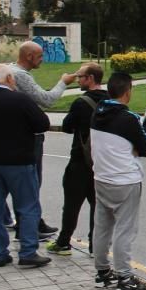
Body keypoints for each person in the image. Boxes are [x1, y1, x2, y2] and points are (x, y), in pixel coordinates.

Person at [91, 72, 146, 290]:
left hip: (101, 178)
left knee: (102, 226)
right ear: (128, 91)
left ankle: (102, 272)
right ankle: (125, 277)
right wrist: (133, 148)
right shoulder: (128, 119)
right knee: (124, 230)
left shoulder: (97, 114)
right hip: (125, 180)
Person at [0, 63, 52, 268]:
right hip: (20, 161)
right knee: (27, 207)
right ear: (8, 79)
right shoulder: (20, 99)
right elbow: (43, 124)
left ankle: (0, 253)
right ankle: (28, 252)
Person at [10, 40, 78, 239]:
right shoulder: (21, 76)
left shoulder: (8, 70)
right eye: (40, 56)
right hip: (30, 137)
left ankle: (30, 222)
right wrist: (63, 82)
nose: (43, 59)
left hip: (14, 136)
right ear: (29, 56)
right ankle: (29, 228)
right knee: (32, 182)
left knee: (23, 183)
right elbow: (46, 100)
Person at [46, 63, 109, 256]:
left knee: (72, 204)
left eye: (80, 76)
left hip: (80, 161)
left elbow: (66, 126)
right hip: (102, 163)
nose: (77, 79)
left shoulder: (81, 103)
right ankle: (95, 245)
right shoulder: (110, 101)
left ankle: (64, 243)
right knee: (97, 207)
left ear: (90, 78)